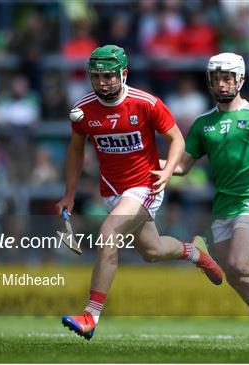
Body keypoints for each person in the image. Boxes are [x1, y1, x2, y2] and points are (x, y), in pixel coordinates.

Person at [56, 45, 223, 340]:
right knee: (153, 251)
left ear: (123, 74)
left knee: (109, 232)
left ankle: (90, 316)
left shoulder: (145, 103)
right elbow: (75, 150)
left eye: (109, 76)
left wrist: (169, 171)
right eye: (97, 77)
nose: (103, 82)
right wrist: (69, 193)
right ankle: (195, 251)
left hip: (144, 185)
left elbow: (177, 140)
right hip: (111, 190)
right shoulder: (83, 111)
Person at [166, 53, 249, 344]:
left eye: (227, 78)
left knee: (238, 263)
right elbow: (183, 166)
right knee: (235, 276)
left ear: (239, 80)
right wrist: (156, 168)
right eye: (216, 79)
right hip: (223, 205)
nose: (222, 84)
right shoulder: (203, 124)